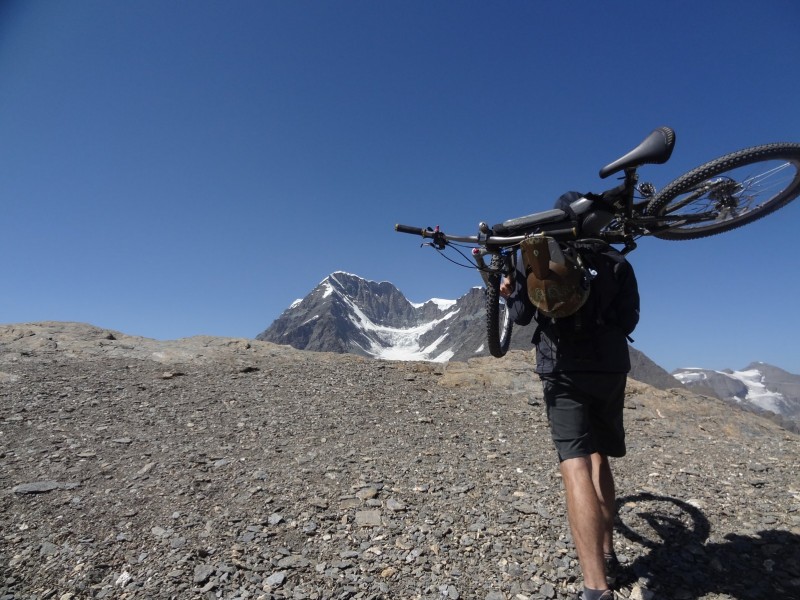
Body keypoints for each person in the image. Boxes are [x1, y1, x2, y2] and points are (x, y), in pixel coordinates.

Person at [500, 192, 640, 600]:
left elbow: (523, 317)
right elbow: (629, 317)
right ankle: (610, 551)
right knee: (600, 456)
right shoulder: (616, 259)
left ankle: (596, 589)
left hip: (562, 366)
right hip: (611, 368)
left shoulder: (537, 257)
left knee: (575, 463)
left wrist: (511, 294)